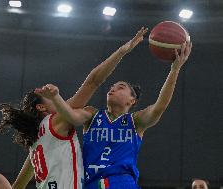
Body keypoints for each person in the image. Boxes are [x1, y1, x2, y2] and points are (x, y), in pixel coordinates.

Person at [0, 27, 148, 189]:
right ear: (41, 107)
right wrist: (121, 52)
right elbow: (93, 81)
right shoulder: (56, 121)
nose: (61, 101)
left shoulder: (35, 146)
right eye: (47, 96)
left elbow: (18, 185)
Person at [39, 41, 192, 189]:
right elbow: (72, 116)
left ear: (132, 100)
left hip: (121, 183)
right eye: (111, 87)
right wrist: (56, 97)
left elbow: (160, 106)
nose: (112, 89)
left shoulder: (135, 121)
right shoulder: (92, 114)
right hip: (90, 183)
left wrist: (174, 70)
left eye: (120, 87)